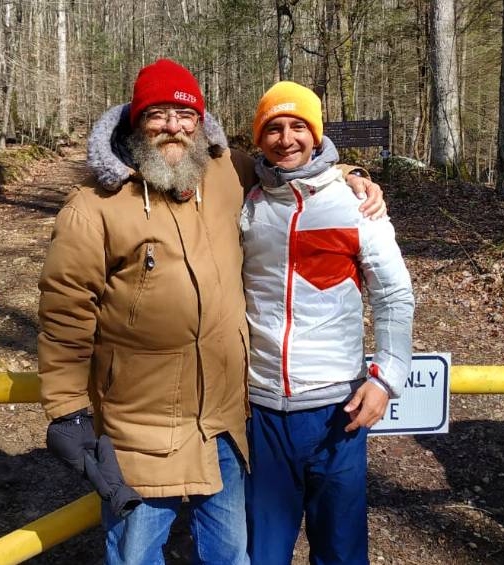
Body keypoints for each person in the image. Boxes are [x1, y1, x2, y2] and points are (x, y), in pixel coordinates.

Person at [37, 60, 385, 564]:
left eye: (185, 114)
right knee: (135, 556)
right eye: (158, 114)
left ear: (201, 123)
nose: (173, 127)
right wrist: (67, 410)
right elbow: (65, 312)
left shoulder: (226, 172)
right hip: (141, 426)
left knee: (232, 555)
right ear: (136, 121)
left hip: (224, 420)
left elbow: (292, 168)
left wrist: (352, 174)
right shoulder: (94, 207)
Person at [242, 81, 415, 565]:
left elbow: (394, 294)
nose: (286, 138)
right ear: (259, 138)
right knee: (262, 554)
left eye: (299, 126)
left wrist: (386, 379)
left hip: (337, 410)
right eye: (273, 128)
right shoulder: (247, 204)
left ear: (316, 135)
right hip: (262, 410)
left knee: (340, 552)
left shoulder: (355, 202)